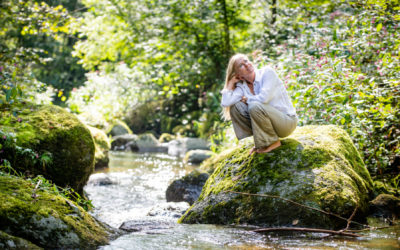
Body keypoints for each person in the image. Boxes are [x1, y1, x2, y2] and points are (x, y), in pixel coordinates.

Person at [221, 53, 297, 154]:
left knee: (254, 106)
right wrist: (230, 84)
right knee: (236, 107)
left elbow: (263, 99)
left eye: (246, 60)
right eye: (241, 65)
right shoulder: (242, 86)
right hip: (271, 124)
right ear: (238, 75)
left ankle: (273, 142)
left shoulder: (267, 73)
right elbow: (226, 102)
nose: (247, 64)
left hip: (286, 122)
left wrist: (247, 99)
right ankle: (263, 142)